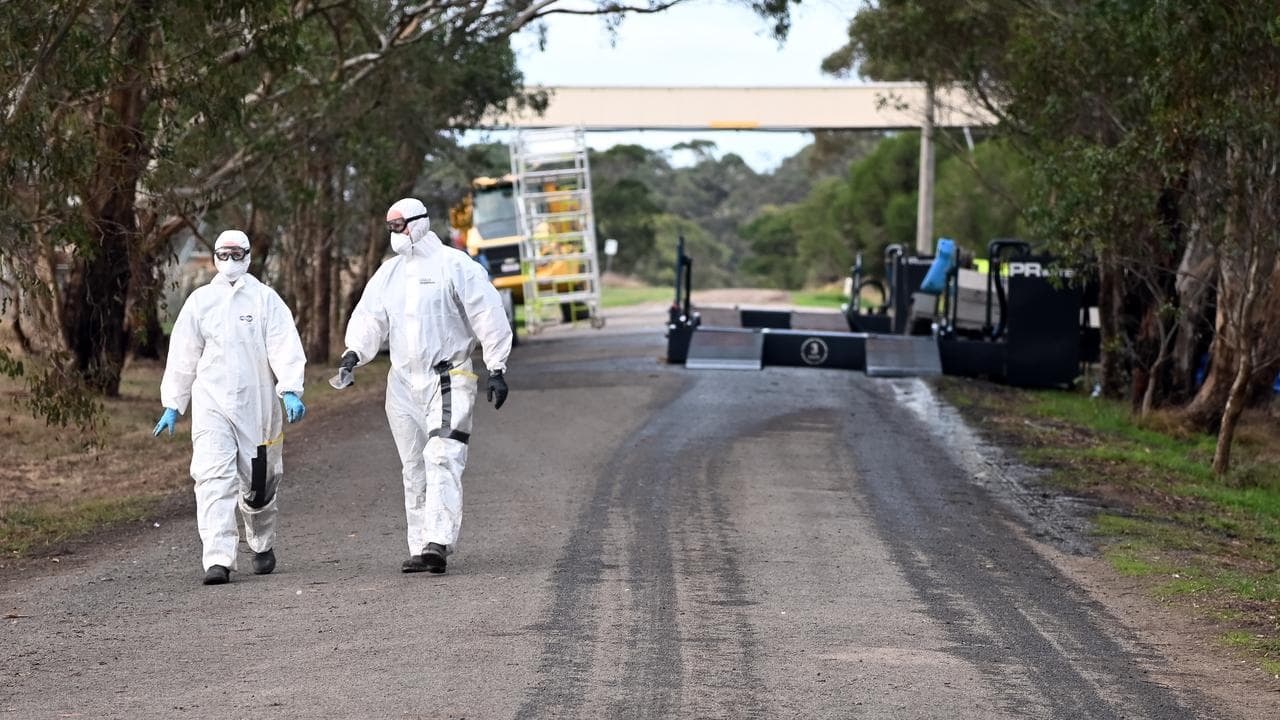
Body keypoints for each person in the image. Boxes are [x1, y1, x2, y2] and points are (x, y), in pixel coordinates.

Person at [337, 198, 511, 574]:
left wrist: (496, 366)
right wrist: (355, 352)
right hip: (401, 383)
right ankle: (420, 546)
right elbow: (370, 317)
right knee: (413, 464)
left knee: (442, 455)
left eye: (398, 225)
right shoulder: (389, 274)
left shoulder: (454, 265)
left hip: (449, 377)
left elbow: (487, 312)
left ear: (418, 224)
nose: (393, 233)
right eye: (389, 226)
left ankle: (439, 540)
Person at [153, 230, 307, 586]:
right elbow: (183, 354)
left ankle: (261, 541)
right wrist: (173, 403)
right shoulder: (200, 302)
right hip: (212, 403)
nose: (231, 258)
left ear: (249, 255)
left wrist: (290, 389)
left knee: (260, 485)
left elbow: (284, 345)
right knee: (211, 477)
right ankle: (218, 558)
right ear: (215, 255)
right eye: (225, 252)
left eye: (238, 252)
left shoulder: (265, 300)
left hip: (258, 405)